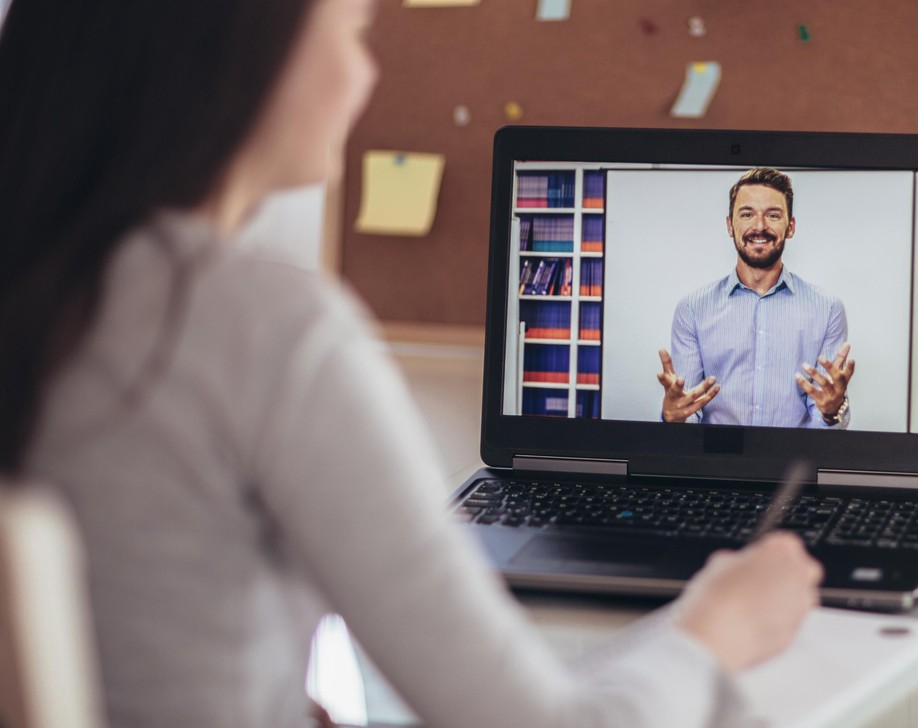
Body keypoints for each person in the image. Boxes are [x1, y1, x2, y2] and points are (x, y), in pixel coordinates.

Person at [0, 1, 824, 726]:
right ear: (246, 57)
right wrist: (717, 629)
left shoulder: (44, 282)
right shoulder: (266, 330)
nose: (366, 74)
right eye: (355, 30)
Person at [657, 168, 857, 428]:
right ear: (730, 225)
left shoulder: (828, 308)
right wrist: (673, 417)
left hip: (793, 463)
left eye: (773, 215)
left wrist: (833, 412)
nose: (760, 226)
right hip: (715, 463)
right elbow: (687, 408)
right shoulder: (693, 309)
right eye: (747, 214)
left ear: (791, 226)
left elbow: (823, 411)